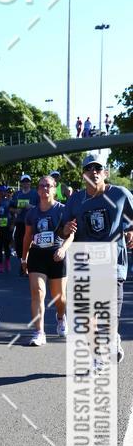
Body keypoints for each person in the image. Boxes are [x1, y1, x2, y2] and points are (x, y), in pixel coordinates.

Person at [59, 154, 133, 363]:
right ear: (83, 174)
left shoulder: (120, 195)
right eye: (89, 168)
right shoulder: (75, 200)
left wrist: (132, 231)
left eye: (98, 168)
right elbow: (63, 231)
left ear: (105, 172)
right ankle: (97, 357)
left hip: (113, 263)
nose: (94, 172)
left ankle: (111, 338)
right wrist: (65, 230)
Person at [21, 175, 74, 345]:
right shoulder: (32, 213)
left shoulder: (62, 210)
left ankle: (60, 317)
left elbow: (71, 234)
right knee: (37, 292)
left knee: (59, 296)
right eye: (42, 186)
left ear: (54, 189)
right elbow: (27, 236)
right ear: (38, 190)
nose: (45, 188)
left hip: (56, 254)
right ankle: (39, 332)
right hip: (37, 255)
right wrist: (23, 258)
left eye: (49, 186)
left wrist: (63, 249)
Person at [9, 174, 38, 275]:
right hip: (20, 223)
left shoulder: (35, 194)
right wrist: (16, 210)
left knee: (30, 244)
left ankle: (29, 266)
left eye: (27, 181)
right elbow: (10, 208)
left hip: (32, 223)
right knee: (19, 245)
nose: (26, 183)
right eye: (24, 182)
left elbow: (41, 207)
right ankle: (23, 264)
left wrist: (31, 206)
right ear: (21, 183)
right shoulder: (17, 194)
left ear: (30, 182)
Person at [0, 186, 13, 273]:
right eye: (0, 191)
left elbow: (14, 212)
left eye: (4, 191)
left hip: (7, 227)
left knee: (7, 246)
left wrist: (12, 224)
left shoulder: (9, 201)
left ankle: (7, 260)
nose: (2, 193)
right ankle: (0, 263)